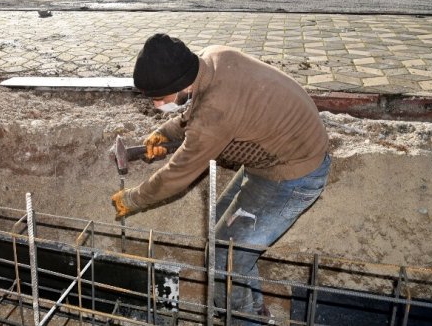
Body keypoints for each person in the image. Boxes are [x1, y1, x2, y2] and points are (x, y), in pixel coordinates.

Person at [111, 33, 331, 324]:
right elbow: (196, 114)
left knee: (225, 260)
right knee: (222, 237)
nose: (156, 106)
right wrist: (164, 134)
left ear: (180, 86)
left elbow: (178, 174)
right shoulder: (213, 58)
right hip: (274, 155)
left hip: (294, 174)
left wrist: (132, 199)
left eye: (160, 99)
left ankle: (242, 320)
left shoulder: (215, 115)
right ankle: (253, 311)